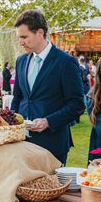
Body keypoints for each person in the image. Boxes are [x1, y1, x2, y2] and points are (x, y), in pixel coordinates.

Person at [11, 10, 85, 164]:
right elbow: (18, 98)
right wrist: (11, 122)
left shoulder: (66, 62)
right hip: (21, 143)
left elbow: (77, 105)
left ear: (39, 32)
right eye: (19, 38)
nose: (21, 42)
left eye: (24, 37)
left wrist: (48, 121)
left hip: (53, 144)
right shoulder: (21, 61)